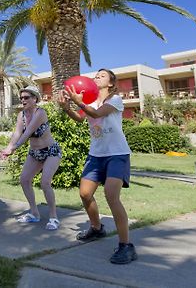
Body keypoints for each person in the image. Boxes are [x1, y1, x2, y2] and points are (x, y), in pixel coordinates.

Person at [58, 69, 137, 264]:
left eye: (102, 75)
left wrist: (78, 102)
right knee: (85, 194)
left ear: (111, 83)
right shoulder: (90, 101)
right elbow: (80, 117)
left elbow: (96, 113)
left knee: (112, 196)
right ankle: (96, 228)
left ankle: (126, 246)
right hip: (96, 155)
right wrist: (66, 107)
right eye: (96, 75)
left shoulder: (115, 100)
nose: (96, 77)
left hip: (117, 154)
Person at [1, 86, 62, 230]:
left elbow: (28, 132)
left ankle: (53, 217)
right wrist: (8, 148)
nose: (23, 100)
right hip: (34, 153)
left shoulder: (40, 113)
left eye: (26, 97)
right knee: (24, 180)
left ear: (35, 99)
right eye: (21, 98)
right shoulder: (21, 115)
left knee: (45, 182)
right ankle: (34, 213)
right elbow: (17, 133)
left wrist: (14, 148)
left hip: (50, 151)